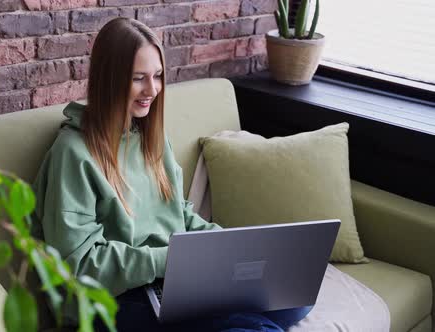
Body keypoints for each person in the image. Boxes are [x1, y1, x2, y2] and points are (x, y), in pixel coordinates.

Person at [31, 17, 312, 332]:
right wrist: (172, 260)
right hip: (112, 299)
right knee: (254, 327)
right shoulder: (73, 153)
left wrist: (229, 247)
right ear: (110, 79)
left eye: (158, 76)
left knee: (294, 299)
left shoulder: (150, 136)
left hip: (171, 277)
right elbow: (78, 264)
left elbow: (179, 213)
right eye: (138, 78)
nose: (152, 89)